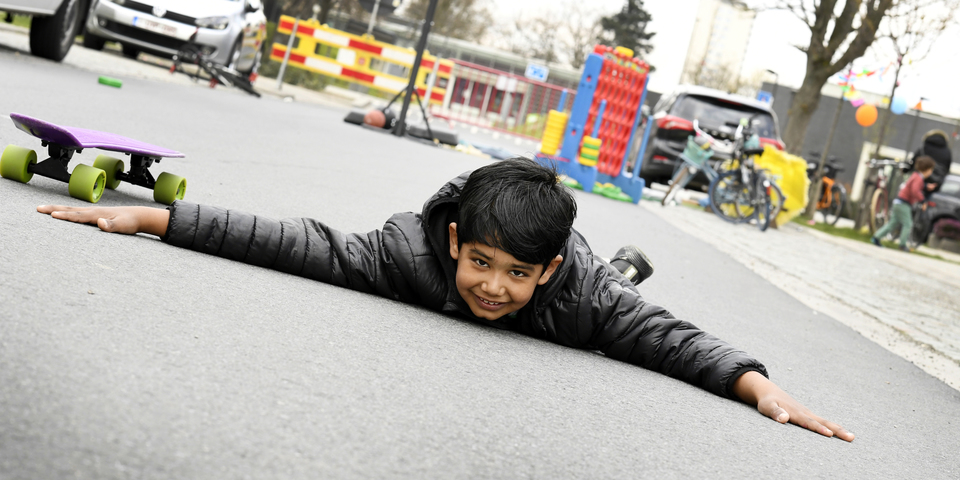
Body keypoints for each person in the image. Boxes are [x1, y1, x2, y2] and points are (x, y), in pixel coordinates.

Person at [36, 157, 854, 442]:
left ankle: (626, 263)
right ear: (456, 241)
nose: (495, 288)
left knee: (625, 300)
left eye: (518, 274)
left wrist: (760, 386)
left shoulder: (583, 297)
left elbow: (677, 341)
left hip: (597, 283)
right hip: (530, 256)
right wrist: (152, 216)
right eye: (483, 263)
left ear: (548, 269)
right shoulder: (407, 255)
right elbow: (294, 241)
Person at [872, 156, 937, 251]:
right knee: (908, 224)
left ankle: (876, 237)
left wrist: (926, 186)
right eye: (931, 169)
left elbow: (916, 186)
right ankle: (902, 245)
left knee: (892, 224)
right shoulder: (918, 178)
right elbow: (915, 190)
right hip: (904, 203)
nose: (931, 172)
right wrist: (923, 200)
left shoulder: (916, 176)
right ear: (926, 169)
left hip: (899, 202)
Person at [909, 130, 953, 200]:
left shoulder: (924, 147)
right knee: (925, 203)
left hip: (920, 179)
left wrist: (905, 170)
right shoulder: (947, 152)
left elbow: (913, 161)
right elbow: (947, 169)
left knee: (912, 197)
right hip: (935, 183)